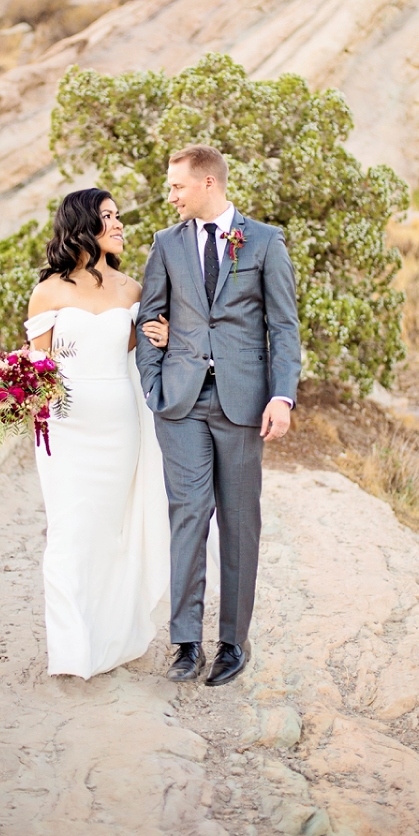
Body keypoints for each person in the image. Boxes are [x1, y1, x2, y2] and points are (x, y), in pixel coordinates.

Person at [136, 145, 301, 686]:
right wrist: (155, 384)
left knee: (238, 520)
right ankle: (185, 642)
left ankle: (232, 640)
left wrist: (282, 396)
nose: (171, 195)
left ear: (208, 183)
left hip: (243, 404)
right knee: (187, 516)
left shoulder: (265, 241)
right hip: (180, 405)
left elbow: (284, 327)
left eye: (178, 186)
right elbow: (149, 319)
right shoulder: (164, 244)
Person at [24, 188, 170, 678]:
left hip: (119, 424)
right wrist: (22, 396)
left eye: (118, 215)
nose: (119, 224)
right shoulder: (48, 292)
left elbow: (139, 352)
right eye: (108, 216)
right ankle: (70, 650)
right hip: (65, 429)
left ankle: (109, 633)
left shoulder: (132, 289)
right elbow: (36, 369)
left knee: (109, 532)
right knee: (69, 530)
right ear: (84, 224)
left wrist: (165, 337)